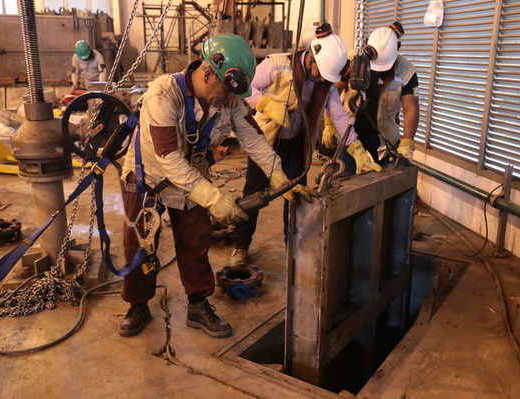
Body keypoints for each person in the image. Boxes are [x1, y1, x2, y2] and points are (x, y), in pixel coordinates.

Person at [118, 34, 314, 338]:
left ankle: (197, 305)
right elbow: (168, 156)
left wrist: (280, 177)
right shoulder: (162, 94)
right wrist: (214, 198)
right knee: (141, 244)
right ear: (208, 73)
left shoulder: (231, 100)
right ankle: (138, 304)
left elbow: (254, 140)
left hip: (191, 179)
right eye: (225, 89)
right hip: (149, 178)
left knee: (196, 241)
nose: (228, 98)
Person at [229, 23, 382, 267]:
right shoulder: (276, 64)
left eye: (326, 77)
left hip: (296, 142)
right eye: (320, 73)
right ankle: (240, 245)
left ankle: (294, 246)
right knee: (254, 194)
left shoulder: (325, 80)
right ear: (311, 55)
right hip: (265, 140)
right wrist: (267, 104)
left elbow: (339, 115)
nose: (322, 79)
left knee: (296, 197)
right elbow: (244, 88)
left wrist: (356, 149)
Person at [330, 22, 419, 165]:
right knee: (346, 180)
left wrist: (407, 143)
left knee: (382, 182)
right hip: (351, 135)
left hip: (385, 139)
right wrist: (329, 123)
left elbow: (411, 108)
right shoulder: (353, 61)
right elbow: (333, 92)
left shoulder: (406, 71)